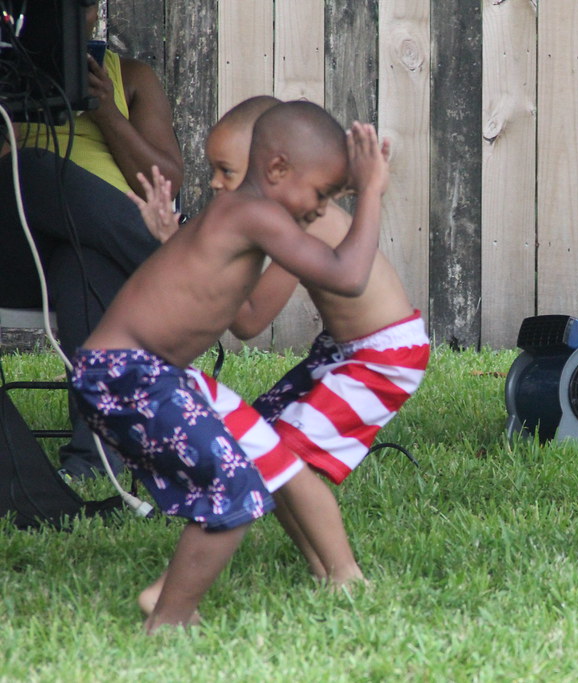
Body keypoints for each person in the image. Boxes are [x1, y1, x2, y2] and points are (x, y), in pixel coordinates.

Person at [68, 101, 389, 633]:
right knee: (233, 490)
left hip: (130, 375)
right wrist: (372, 192)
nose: (320, 209)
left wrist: (168, 237)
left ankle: (173, 608)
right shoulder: (255, 213)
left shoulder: (234, 220)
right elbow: (348, 274)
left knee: (232, 482)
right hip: (131, 375)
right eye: (321, 194)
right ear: (279, 170)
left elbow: (222, 300)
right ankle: (168, 620)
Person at [134, 96, 428, 593]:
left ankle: (346, 576)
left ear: (274, 166)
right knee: (264, 451)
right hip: (339, 353)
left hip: (383, 358)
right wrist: (172, 242)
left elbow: (249, 320)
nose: (214, 183)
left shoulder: (302, 220)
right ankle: (324, 569)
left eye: (225, 170)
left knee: (284, 457)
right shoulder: (277, 219)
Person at [0, 2, 183, 479]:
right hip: (15, 253)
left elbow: (167, 185)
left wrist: (107, 114)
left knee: (82, 264)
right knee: (35, 166)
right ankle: (179, 267)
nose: (73, 16)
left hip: (96, 253)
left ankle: (93, 460)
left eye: (82, 5)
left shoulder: (132, 77)